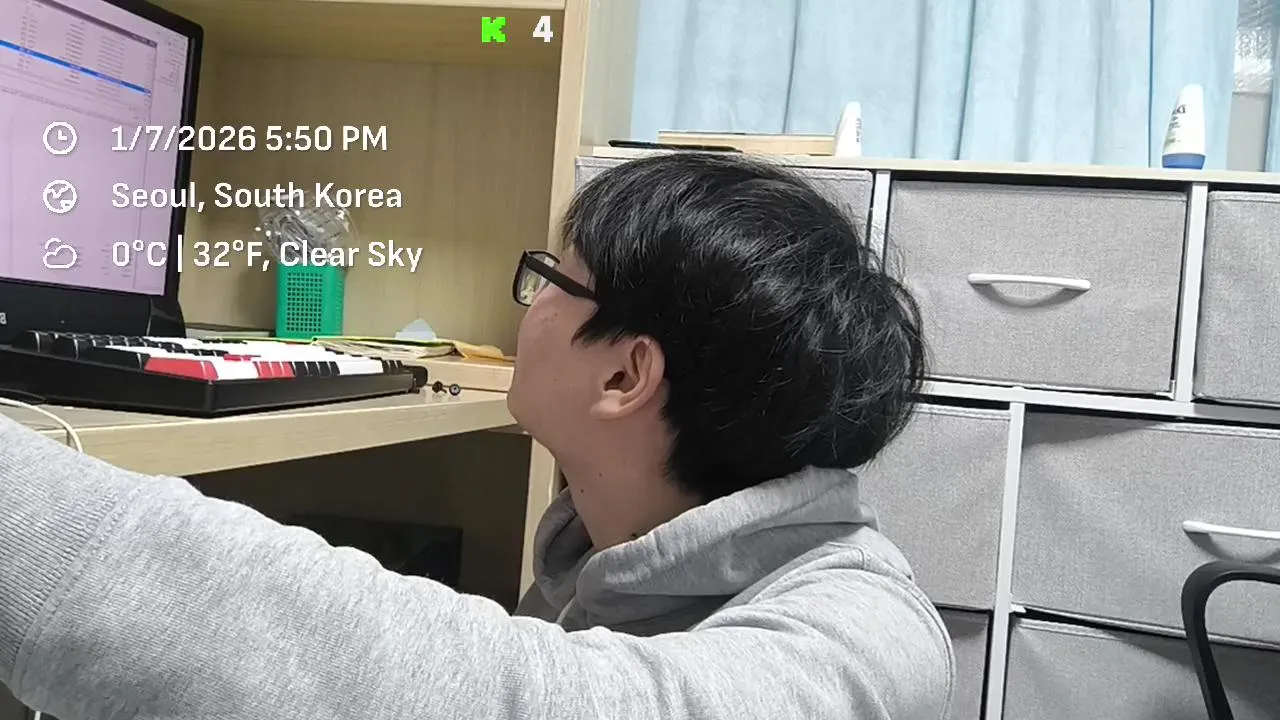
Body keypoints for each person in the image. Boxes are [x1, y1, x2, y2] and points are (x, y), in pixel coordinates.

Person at [0, 152, 951, 719]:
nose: (527, 307)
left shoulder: (866, 636)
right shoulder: (612, 554)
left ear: (625, 376)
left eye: (553, 279)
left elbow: (532, 701)